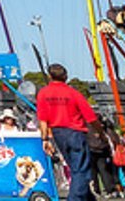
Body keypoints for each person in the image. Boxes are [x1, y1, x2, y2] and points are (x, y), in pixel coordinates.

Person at [37, 64, 101, 201]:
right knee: (81, 170)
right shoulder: (72, 93)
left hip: (58, 133)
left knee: (75, 168)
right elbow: (91, 117)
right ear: (65, 77)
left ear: (50, 76)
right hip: (75, 132)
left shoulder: (43, 93)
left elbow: (42, 119)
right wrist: (100, 132)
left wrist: (45, 139)